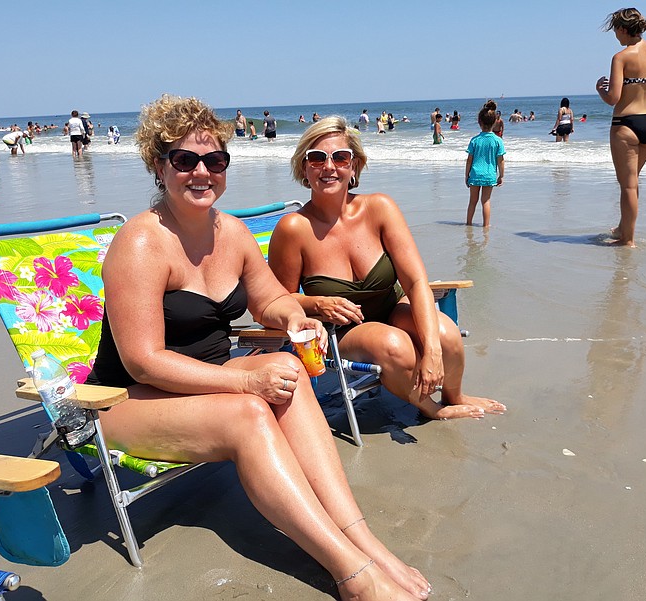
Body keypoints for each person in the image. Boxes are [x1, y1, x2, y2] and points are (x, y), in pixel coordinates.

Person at [86, 95, 430, 601]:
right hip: (126, 400)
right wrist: (246, 379)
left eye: (215, 160)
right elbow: (143, 360)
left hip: (204, 387)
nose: (202, 172)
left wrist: (296, 318)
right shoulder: (141, 243)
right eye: (185, 160)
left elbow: (271, 298)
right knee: (249, 411)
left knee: (286, 369)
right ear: (159, 167)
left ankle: (362, 539)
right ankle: (352, 573)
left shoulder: (232, 232)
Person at [268, 116, 505, 424]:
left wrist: (432, 350)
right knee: (396, 347)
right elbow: (276, 301)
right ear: (304, 168)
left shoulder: (380, 208)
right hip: (342, 332)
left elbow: (416, 281)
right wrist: (316, 303)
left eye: (340, 157)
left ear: (354, 166)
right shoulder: (293, 229)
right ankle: (432, 408)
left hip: (392, 307)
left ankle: (454, 395)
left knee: (445, 335)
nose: (329, 167)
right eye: (316, 158)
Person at [596, 7, 646, 247]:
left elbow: (613, 98)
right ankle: (623, 228)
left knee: (628, 184)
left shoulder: (621, 57)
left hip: (626, 125)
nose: (615, 37)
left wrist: (600, 90)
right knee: (632, 182)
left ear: (622, 29)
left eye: (615, 32)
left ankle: (627, 240)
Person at [465, 101, 505, 228]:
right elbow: (501, 160)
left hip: (475, 174)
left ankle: (469, 224)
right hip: (489, 174)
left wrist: (467, 175)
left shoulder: (475, 140)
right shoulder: (498, 140)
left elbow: (469, 160)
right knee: (486, 201)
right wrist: (501, 175)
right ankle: (486, 226)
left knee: (472, 201)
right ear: (494, 122)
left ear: (479, 122)